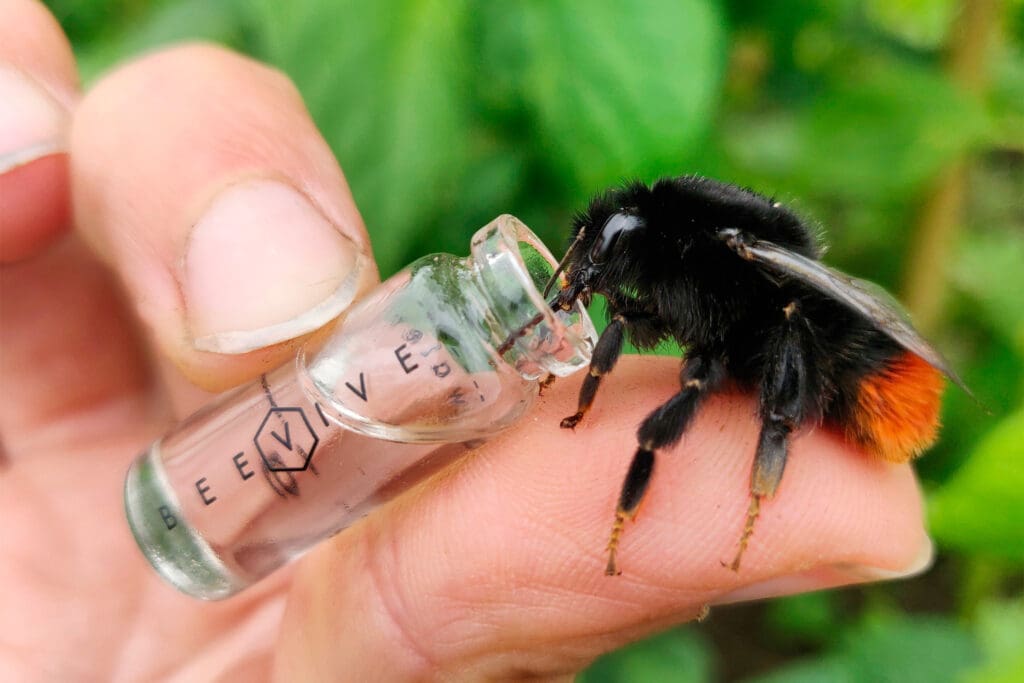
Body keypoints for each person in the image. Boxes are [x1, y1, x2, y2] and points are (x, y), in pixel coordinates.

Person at [0, 1, 932, 679]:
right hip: (170, 530)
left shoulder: (727, 265)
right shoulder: (670, 283)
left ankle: (759, 491)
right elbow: (617, 338)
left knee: (717, 369)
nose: (585, 276)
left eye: (595, 257)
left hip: (860, 372)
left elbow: (735, 345)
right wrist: (589, 395)